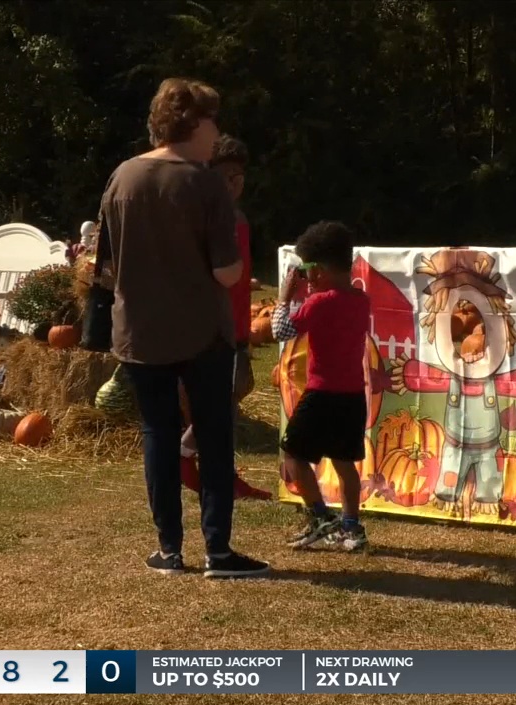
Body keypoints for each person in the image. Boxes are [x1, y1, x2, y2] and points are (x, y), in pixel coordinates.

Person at [97, 78, 269, 579]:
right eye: (213, 120)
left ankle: (168, 550)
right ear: (191, 123)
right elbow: (228, 273)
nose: (218, 132)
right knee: (213, 438)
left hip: (139, 332)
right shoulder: (205, 182)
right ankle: (218, 551)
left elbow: (104, 267)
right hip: (202, 334)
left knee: (158, 433)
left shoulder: (121, 177)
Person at [179, 134, 271, 501]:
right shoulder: (199, 218)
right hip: (209, 327)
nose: (235, 183)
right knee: (219, 405)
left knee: (231, 401)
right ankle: (185, 455)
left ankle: (222, 475)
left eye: (239, 175)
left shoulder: (239, 218)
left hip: (236, 326)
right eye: (226, 175)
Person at [271, 221, 372, 552]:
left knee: (294, 453)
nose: (306, 276)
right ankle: (351, 527)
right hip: (353, 396)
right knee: (345, 465)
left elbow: (281, 331)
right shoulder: (361, 300)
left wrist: (286, 297)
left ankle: (319, 517)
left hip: (321, 393)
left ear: (319, 271)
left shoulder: (319, 303)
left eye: (308, 269)